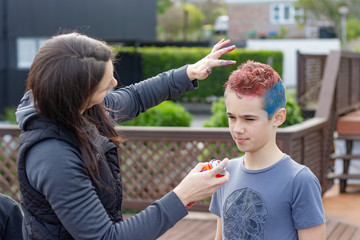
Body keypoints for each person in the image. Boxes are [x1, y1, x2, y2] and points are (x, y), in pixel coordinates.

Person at [15, 32, 235, 239]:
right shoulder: (53, 157)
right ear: (79, 93)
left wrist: (190, 72)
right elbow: (106, 237)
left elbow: (135, 97)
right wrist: (184, 195)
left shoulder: (75, 108)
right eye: (105, 84)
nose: (114, 84)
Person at [209, 60, 326, 240]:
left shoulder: (300, 181)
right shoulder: (225, 174)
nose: (237, 128)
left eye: (249, 119)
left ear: (278, 117)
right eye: (232, 117)